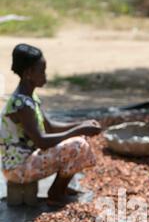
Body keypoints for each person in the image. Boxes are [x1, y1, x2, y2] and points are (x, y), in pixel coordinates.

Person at [0, 43, 102, 206]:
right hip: (18, 169)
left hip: (27, 161)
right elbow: (41, 140)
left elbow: (50, 127)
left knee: (79, 138)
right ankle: (55, 193)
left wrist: (82, 125)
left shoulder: (29, 97)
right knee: (77, 145)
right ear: (28, 73)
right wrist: (79, 130)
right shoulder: (21, 104)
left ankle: (60, 189)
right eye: (42, 71)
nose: (45, 76)